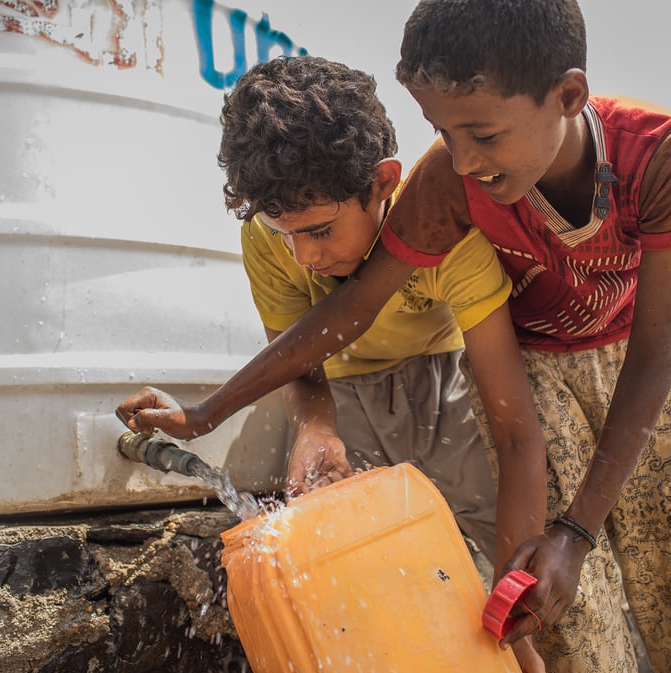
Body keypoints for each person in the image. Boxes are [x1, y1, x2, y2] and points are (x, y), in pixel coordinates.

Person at [119, 2, 671, 672]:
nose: (464, 161)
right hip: (535, 370)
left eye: (480, 134)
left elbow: (648, 362)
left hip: (627, 371)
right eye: (444, 135)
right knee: (573, 615)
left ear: (567, 94)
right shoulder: (447, 187)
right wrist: (210, 411)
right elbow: (353, 309)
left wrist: (575, 529)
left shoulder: (662, 157)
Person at [119, 56, 546, 574]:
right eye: (285, 233)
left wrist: (516, 597)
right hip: (340, 396)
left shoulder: (447, 235)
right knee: (365, 570)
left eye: (320, 231)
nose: (303, 257)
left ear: (383, 183)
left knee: (509, 547)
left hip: (446, 386)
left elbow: (515, 427)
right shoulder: (265, 236)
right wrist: (316, 431)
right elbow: (298, 363)